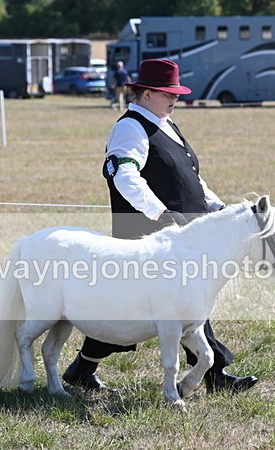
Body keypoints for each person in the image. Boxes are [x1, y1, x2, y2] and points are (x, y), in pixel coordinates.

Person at [62, 59, 258, 394]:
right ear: (147, 92)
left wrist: (216, 206)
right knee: (138, 309)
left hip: (187, 233)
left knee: (165, 305)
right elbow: (124, 176)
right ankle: (215, 376)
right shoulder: (130, 128)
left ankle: (84, 368)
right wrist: (160, 212)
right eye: (169, 93)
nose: (175, 99)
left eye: (176, 93)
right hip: (154, 234)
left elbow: (190, 178)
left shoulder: (166, 123)